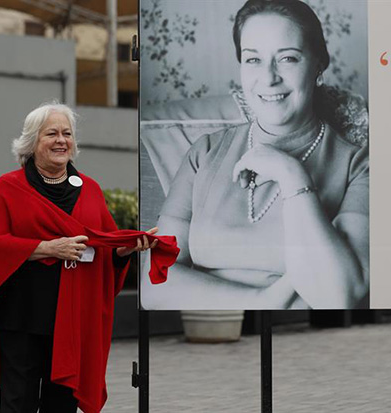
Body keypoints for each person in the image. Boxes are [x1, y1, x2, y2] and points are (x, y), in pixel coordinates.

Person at [142, 0, 369, 310]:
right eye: (253, 60)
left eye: (287, 58)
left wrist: (292, 177)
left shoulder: (359, 167)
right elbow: (154, 281)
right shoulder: (205, 153)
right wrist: (260, 300)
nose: (269, 77)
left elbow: (339, 296)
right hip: (209, 333)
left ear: (318, 66)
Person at [0, 102, 178, 413]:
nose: (61, 140)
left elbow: (103, 248)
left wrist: (124, 250)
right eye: (51, 133)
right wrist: (48, 248)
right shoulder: (9, 187)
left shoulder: (90, 189)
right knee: (18, 402)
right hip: (21, 316)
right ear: (32, 142)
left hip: (72, 319)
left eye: (67, 133)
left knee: (62, 402)